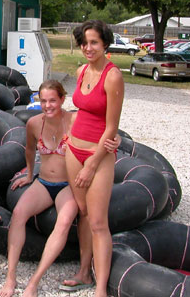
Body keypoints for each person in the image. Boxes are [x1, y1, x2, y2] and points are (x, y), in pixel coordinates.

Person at [0, 80, 120, 297]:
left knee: (63, 222)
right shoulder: (34, 124)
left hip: (69, 186)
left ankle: (34, 282)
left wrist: (116, 138)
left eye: (53, 100)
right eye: (43, 101)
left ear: (62, 99)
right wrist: (28, 174)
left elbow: (105, 130)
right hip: (44, 182)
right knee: (18, 214)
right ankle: (11, 276)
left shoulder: (76, 121)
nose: (48, 105)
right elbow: (28, 151)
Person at [65, 20, 124, 297]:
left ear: (105, 44)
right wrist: (66, 136)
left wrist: (92, 163)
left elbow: (111, 128)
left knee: (99, 222)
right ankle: (83, 272)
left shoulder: (113, 77)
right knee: (83, 214)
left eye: (94, 42)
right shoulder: (80, 71)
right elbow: (80, 109)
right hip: (73, 150)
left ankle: (101, 289)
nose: (88, 48)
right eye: (84, 42)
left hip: (97, 155)